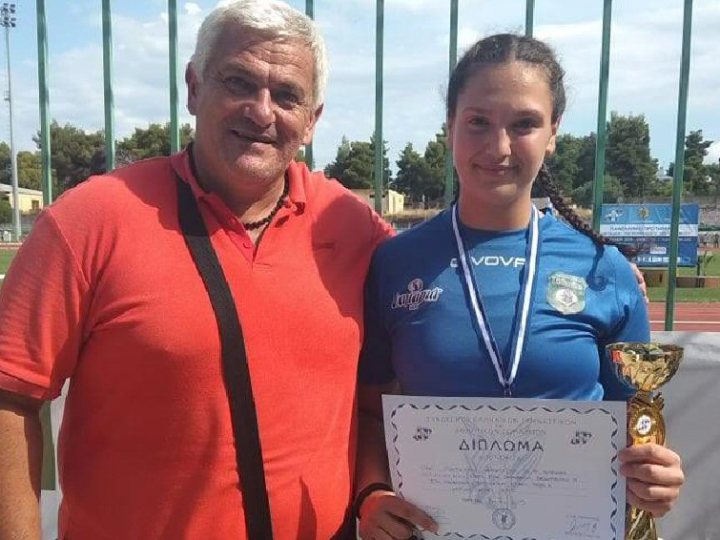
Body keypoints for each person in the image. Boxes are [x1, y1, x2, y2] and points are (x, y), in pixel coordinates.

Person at [0, 1, 392, 538]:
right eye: (238, 82)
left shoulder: (352, 225)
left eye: (287, 95)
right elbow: (10, 398)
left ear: (312, 120)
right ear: (193, 87)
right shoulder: (90, 220)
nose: (261, 111)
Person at [354, 34, 684, 539]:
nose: (499, 147)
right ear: (450, 126)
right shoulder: (396, 263)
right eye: (478, 122)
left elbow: (634, 419)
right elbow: (371, 412)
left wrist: (654, 477)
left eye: (524, 124)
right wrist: (372, 493)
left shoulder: (605, 269)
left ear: (553, 133)